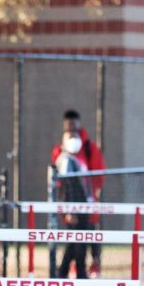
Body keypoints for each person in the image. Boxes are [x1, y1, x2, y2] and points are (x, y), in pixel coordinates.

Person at [50, 110, 106, 277]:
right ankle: (71, 271)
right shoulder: (62, 155)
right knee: (76, 237)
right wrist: (68, 209)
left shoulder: (89, 148)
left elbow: (98, 174)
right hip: (70, 202)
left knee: (84, 236)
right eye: (68, 129)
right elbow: (63, 183)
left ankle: (68, 270)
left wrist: (92, 194)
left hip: (87, 202)